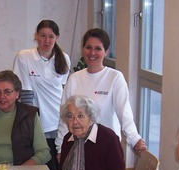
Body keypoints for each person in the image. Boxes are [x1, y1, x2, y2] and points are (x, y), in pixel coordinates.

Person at [55, 28, 147, 161]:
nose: (92, 53)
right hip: (78, 147)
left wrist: (134, 139)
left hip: (107, 148)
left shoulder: (115, 77)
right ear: (83, 49)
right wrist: (60, 148)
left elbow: (124, 112)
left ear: (106, 51)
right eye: (88, 47)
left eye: (98, 48)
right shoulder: (74, 79)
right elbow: (65, 117)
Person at [13, 20, 71, 170]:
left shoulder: (64, 58)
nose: (47, 40)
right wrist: (29, 124)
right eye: (43, 36)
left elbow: (64, 91)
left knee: (57, 167)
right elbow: (25, 94)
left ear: (57, 37)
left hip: (59, 120)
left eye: (51, 36)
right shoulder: (24, 57)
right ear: (36, 36)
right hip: (38, 121)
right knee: (40, 167)